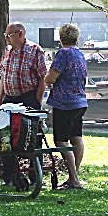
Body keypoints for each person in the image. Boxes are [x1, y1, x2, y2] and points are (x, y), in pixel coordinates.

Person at [0, 21, 47, 185]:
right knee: (5, 137)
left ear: (20, 34)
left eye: (9, 35)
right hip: (10, 99)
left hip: (28, 97)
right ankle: (10, 175)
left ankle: (35, 174)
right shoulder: (7, 51)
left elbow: (42, 79)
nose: (7, 39)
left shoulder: (35, 50)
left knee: (32, 136)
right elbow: (3, 78)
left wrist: (36, 100)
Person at [44, 23, 88, 190]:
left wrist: (47, 78)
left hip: (64, 103)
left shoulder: (63, 53)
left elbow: (50, 78)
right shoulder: (79, 54)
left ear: (61, 38)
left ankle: (74, 179)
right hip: (80, 102)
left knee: (61, 140)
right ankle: (73, 176)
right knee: (76, 137)